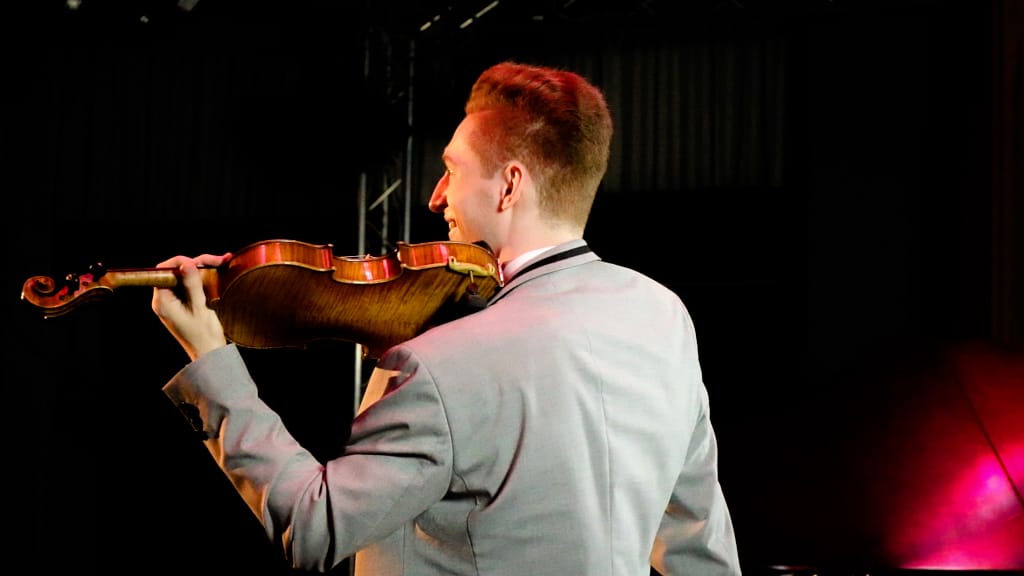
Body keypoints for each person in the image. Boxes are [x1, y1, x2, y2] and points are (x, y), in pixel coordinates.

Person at [152, 61, 741, 575]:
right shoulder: (663, 316)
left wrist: (210, 361)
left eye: (453, 170)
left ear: (509, 186)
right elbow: (700, 544)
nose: (436, 196)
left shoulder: (439, 363)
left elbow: (311, 527)